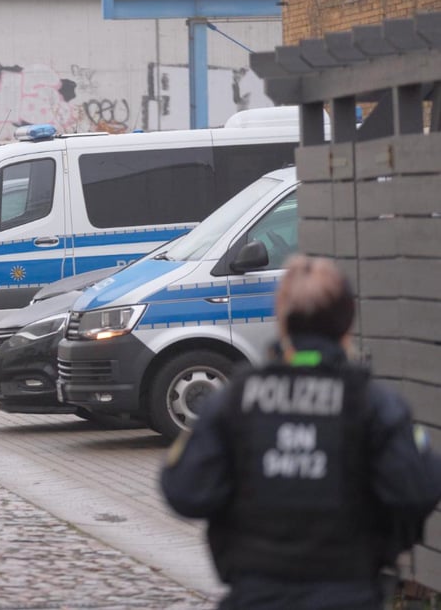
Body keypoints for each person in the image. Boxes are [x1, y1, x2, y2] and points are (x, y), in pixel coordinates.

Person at [160, 254, 441, 610]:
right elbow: (419, 488)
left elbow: (183, 491)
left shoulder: (235, 403)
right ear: (348, 321)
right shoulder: (373, 405)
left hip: (256, 596)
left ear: (282, 320)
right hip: (349, 594)